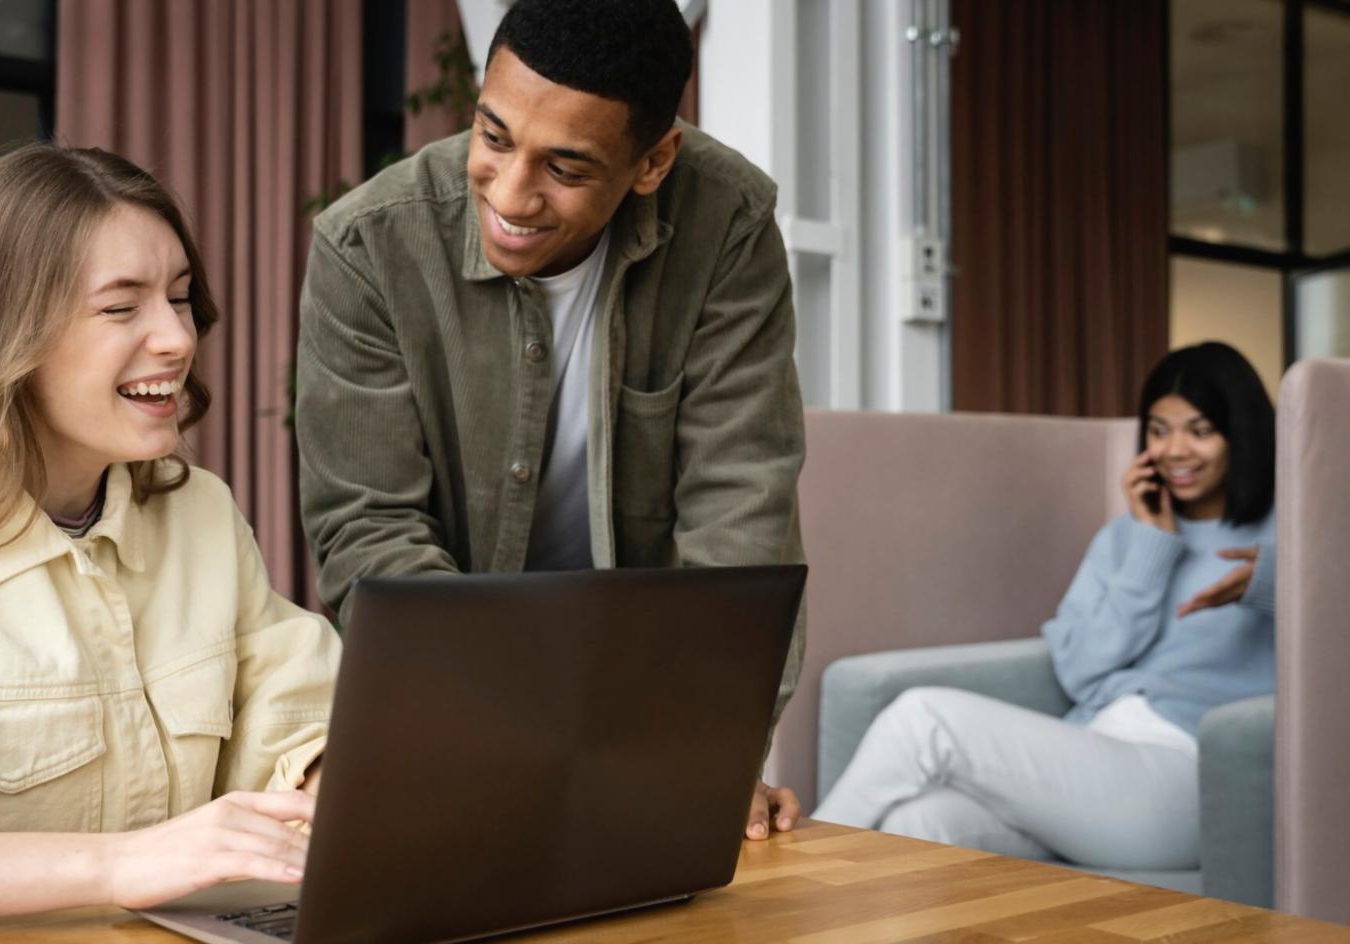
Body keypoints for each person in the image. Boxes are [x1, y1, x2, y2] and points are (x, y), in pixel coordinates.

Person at [0, 144, 340, 944]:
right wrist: (120, 863)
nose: (177, 337)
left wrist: (328, 781)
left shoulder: (201, 516)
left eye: (180, 298)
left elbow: (298, 715)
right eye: (122, 308)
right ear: (6, 334)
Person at [294, 0, 806, 841]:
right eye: (492, 137)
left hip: (651, 686)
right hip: (454, 694)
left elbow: (740, 505)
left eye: (564, 169)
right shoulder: (369, 246)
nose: (510, 193)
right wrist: (521, 736)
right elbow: (370, 527)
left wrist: (705, 745)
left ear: (653, 161)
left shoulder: (725, 223)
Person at [813, 342, 1277, 870]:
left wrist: (1270, 581)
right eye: (1158, 429)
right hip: (1093, 765)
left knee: (922, 718)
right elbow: (1078, 671)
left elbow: (1329, 620)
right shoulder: (1127, 537)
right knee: (918, 823)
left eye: (1199, 431)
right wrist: (1152, 549)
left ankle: (791, 888)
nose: (1174, 451)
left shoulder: (1288, 534)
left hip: (1187, 780)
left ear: (1241, 433)